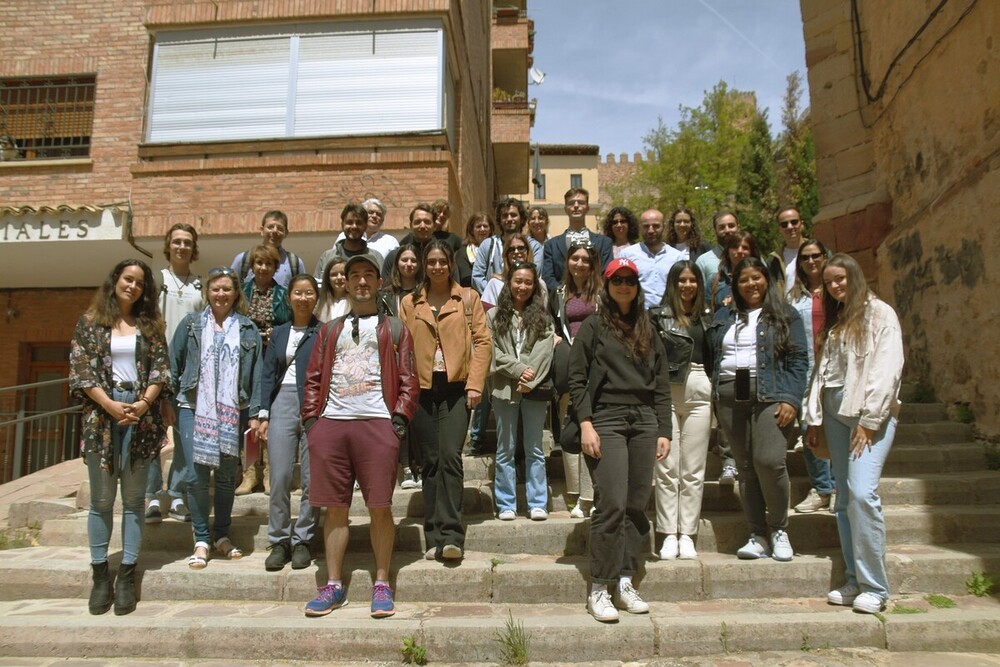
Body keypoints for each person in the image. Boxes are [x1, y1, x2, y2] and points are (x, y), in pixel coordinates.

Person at [300, 251, 420, 618]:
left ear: (379, 281)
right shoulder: (329, 329)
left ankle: (382, 582)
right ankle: (334, 585)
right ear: (345, 283)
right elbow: (313, 379)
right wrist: (312, 424)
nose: (363, 281)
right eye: (355, 276)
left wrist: (397, 422)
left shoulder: (395, 328)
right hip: (332, 426)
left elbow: (409, 381)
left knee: (380, 507)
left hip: (377, 425)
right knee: (335, 510)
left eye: (369, 274)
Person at [569, 257, 671, 623]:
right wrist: (586, 424)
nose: (624, 285)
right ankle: (600, 586)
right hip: (606, 418)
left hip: (644, 419)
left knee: (635, 503)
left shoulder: (648, 327)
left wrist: (664, 429)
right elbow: (576, 379)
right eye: (617, 280)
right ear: (607, 286)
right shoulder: (594, 326)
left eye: (630, 280)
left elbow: (660, 383)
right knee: (611, 501)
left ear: (637, 286)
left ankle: (626, 579)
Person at [804, 253, 904, 614]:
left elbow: (887, 368)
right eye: (830, 282)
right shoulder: (837, 320)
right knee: (845, 500)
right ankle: (853, 578)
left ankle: (875, 587)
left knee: (863, 494)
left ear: (855, 276)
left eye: (841, 278)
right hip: (834, 416)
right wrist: (814, 418)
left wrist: (870, 419)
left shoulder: (881, 314)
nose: (835, 285)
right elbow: (824, 374)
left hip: (866, 418)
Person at [70, 259, 170, 616]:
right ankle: (100, 574)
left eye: (140, 283)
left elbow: (161, 368)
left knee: (132, 499)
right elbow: (81, 372)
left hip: (140, 417)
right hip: (102, 415)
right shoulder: (90, 323)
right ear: (115, 281)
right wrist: (110, 405)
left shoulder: (151, 325)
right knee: (100, 499)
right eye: (128, 279)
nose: (133, 286)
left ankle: (126, 572)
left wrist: (143, 403)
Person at [708, 257, 808, 562]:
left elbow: (799, 359)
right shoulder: (725, 315)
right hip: (729, 396)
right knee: (746, 467)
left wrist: (791, 398)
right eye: (743, 280)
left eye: (756, 278)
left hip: (771, 395)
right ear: (735, 286)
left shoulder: (784, 315)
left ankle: (778, 528)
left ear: (766, 279)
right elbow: (713, 352)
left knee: (769, 460)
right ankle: (757, 534)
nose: (751, 284)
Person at [400, 240, 492, 561]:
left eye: (443, 261)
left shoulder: (468, 298)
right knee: (430, 461)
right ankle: (433, 535)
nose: (437, 266)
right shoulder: (410, 302)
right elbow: (401, 348)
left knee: (450, 455)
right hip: (422, 390)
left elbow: (482, 342)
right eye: (432, 261)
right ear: (425, 265)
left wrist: (476, 383)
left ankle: (452, 534)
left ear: (451, 263)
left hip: (456, 388)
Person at [171, 266, 263, 570]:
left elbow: (257, 376)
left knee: (225, 476)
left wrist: (254, 414)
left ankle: (221, 535)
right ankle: (201, 538)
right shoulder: (190, 325)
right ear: (206, 292)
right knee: (196, 476)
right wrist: (165, 404)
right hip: (191, 407)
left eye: (227, 289)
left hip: (232, 410)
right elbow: (174, 365)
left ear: (236, 293)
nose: (221, 294)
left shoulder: (248, 329)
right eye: (215, 289)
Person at [257, 274, 322, 571]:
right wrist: (262, 414)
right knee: (280, 475)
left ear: (316, 298)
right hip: (281, 403)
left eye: (309, 293)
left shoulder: (324, 331)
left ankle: (304, 539)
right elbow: (267, 372)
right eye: (298, 292)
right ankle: (279, 539)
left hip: (314, 405)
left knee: (311, 478)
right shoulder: (279, 333)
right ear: (289, 297)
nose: (303, 298)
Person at [650, 261, 714, 560]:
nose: (687, 286)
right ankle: (667, 533)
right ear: (673, 284)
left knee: (693, 469)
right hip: (667, 390)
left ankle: (687, 533)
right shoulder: (657, 316)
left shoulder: (708, 318)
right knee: (666, 467)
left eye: (692, 281)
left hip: (700, 388)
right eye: (682, 281)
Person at [488, 261, 554, 521]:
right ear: (509, 283)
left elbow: (544, 351)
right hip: (504, 388)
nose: (523, 286)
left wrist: (531, 377)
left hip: (533, 389)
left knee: (534, 447)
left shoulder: (543, 317)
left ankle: (537, 502)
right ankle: (506, 503)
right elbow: (490, 349)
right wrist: (517, 370)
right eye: (518, 281)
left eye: (528, 282)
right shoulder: (493, 315)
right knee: (505, 447)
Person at [146, 223, 202, 525]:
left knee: (182, 435)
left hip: (186, 370)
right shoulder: (158, 280)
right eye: (177, 242)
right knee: (153, 434)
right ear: (169, 245)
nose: (183, 247)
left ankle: (178, 495)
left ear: (194, 248)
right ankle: (153, 495)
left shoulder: (200, 285)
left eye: (188, 242)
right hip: (156, 367)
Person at [548, 240, 601, 518]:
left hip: (596, 364)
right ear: (567, 262)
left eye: (585, 259)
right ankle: (575, 496)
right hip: (570, 365)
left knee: (591, 428)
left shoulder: (602, 292)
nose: (579, 263)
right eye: (574, 258)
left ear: (592, 264)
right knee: (570, 430)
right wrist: (555, 337)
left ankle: (590, 495)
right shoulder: (558, 292)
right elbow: (549, 323)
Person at [789, 240, 835, 514]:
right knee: (810, 430)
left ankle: (840, 487)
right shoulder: (794, 297)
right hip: (806, 370)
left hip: (835, 369)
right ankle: (821, 488)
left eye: (816, 255)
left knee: (839, 431)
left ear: (825, 256)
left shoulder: (838, 290)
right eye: (805, 257)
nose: (811, 261)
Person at [376, 243, 423, 488]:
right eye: (404, 260)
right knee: (398, 413)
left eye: (413, 260)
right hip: (392, 362)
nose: (408, 264)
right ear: (397, 264)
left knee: (417, 417)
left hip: (420, 360)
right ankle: (404, 467)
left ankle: (418, 465)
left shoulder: (424, 292)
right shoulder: (385, 295)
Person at [542, 188, 613, 290]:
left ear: (587, 208)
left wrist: (593, 293)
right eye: (571, 203)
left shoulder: (604, 242)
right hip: (562, 302)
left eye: (581, 203)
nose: (576, 206)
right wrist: (563, 294)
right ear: (566, 209)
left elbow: (606, 273)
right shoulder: (551, 245)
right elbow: (548, 277)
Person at [472, 198, 543, 293]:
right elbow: (477, 277)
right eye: (505, 215)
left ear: (521, 218)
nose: (509, 219)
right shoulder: (487, 245)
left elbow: (534, 276)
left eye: (513, 215)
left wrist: (501, 278)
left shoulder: (534, 247)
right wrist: (495, 293)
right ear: (499, 219)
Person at [620, 208, 685, 309]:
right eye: (646, 226)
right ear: (640, 227)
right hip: (637, 315)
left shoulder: (677, 257)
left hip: (669, 315)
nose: (651, 230)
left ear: (664, 226)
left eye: (656, 226)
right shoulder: (626, 255)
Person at [383, 203, 459, 281]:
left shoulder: (445, 255)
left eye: (427, 222)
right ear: (410, 225)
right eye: (417, 222)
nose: (422, 226)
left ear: (434, 226)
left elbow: (455, 286)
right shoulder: (395, 257)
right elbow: (386, 289)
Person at [231, 210, 306, 288]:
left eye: (280, 228)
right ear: (262, 230)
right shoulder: (243, 259)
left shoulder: (295, 263)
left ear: (286, 233)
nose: (274, 231)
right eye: (270, 227)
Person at [314, 204, 383, 281]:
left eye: (358, 223)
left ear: (365, 226)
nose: (354, 226)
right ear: (342, 225)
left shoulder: (375, 257)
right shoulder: (327, 257)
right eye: (349, 222)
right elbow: (319, 287)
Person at [242, 244, 292, 350]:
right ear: (252, 266)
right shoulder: (241, 292)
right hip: (245, 348)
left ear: (275, 268)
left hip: (273, 349)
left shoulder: (284, 294)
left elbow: (289, 324)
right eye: (259, 263)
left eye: (269, 264)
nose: (263, 268)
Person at [330, 198, 400, 261]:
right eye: (371, 212)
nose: (374, 216)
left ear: (382, 220)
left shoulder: (390, 242)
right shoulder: (344, 236)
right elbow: (332, 259)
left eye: (378, 214)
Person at [709, 231, 760, 312]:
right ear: (728, 252)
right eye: (735, 247)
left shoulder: (761, 279)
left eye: (745, 248)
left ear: (752, 252)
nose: (740, 251)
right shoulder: (715, 280)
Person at [481, 234, 534, 309]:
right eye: (511, 250)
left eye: (521, 248)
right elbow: (486, 312)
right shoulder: (495, 284)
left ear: (527, 252)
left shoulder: (539, 284)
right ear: (506, 255)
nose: (516, 252)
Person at [767, 206, 807, 294]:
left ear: (802, 224)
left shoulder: (818, 252)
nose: (790, 227)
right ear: (780, 229)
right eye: (784, 224)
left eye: (794, 222)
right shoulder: (774, 260)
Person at [695, 210, 740, 287]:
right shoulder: (703, 262)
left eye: (731, 226)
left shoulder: (752, 255)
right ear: (715, 230)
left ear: (738, 228)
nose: (727, 230)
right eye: (722, 227)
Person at [456, 213, 494, 289]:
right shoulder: (463, 252)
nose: (482, 229)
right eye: (478, 226)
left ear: (490, 230)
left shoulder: (497, 249)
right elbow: (466, 278)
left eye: (485, 226)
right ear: (472, 230)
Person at [316, 258, 350, 323]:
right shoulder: (318, 305)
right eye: (334, 275)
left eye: (343, 274)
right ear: (328, 279)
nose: (339, 277)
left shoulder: (357, 303)